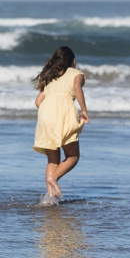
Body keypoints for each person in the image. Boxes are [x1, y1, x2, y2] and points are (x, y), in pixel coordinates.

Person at [33, 46, 89, 202]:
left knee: (52, 160)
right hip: (63, 114)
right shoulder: (76, 74)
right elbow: (77, 87)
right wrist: (84, 109)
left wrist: (49, 113)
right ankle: (55, 178)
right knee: (73, 156)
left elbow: (38, 101)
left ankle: (50, 198)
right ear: (73, 61)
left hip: (45, 116)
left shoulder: (51, 78)